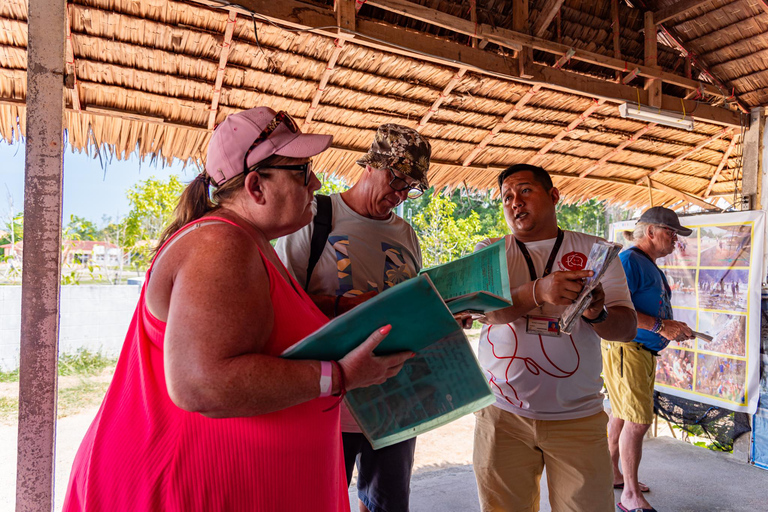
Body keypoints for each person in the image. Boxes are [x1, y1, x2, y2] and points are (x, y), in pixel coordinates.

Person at [63, 107, 414, 512]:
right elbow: (203, 383)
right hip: (184, 488)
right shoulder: (220, 243)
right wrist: (339, 376)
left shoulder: (247, 242)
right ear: (256, 186)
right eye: (303, 173)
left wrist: (344, 314)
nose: (316, 183)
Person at [276, 123, 430, 512]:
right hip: (328, 400)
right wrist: (338, 308)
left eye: (410, 187)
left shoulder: (406, 234)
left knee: (388, 505)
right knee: (316, 501)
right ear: (370, 165)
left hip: (394, 403)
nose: (400, 194)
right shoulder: (315, 217)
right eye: (395, 179)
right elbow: (276, 304)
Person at [471, 163, 638, 512]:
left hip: (578, 417)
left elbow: (626, 329)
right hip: (502, 417)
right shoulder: (490, 250)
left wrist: (597, 313)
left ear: (553, 195)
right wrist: (539, 291)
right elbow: (490, 313)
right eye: (507, 197)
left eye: (525, 191)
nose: (515, 202)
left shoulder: (596, 251)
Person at [603, 206, 694, 512]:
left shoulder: (646, 263)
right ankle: (629, 495)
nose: (675, 241)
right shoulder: (630, 261)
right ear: (651, 231)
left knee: (622, 413)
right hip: (628, 349)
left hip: (638, 351)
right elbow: (614, 308)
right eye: (672, 233)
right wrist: (659, 326)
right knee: (639, 421)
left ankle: (613, 474)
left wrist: (673, 327)